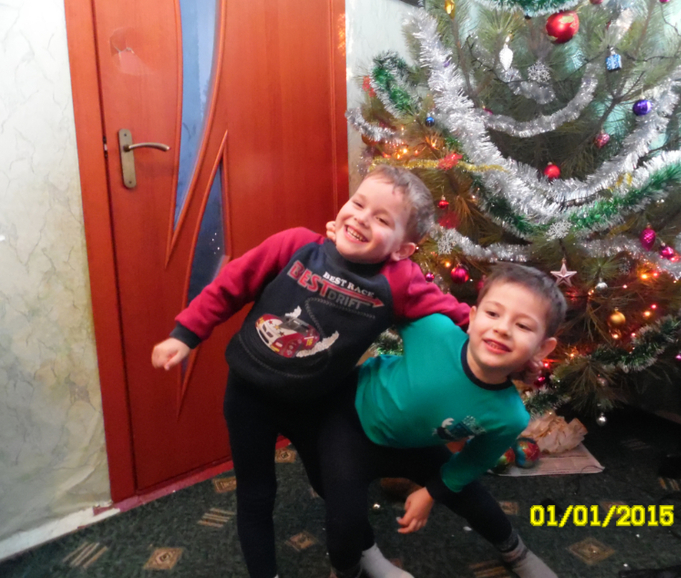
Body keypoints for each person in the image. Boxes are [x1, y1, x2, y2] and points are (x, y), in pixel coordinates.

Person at [151, 165, 470, 578]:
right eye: (358, 204)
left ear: (403, 249)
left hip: (317, 405)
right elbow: (231, 283)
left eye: (381, 219)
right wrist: (186, 334)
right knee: (256, 494)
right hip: (249, 395)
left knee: (337, 487)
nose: (361, 218)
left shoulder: (401, 282)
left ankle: (367, 554)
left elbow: (457, 316)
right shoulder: (296, 245)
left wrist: (511, 342)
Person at [317, 263, 566, 578]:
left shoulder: (509, 416)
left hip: (414, 445)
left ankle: (515, 551)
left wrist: (431, 492)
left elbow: (475, 461)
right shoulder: (434, 331)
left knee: (473, 496)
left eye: (523, 326)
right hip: (350, 425)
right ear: (472, 317)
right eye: (493, 314)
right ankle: (347, 571)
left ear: (543, 348)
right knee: (343, 522)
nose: (503, 329)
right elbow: (389, 296)